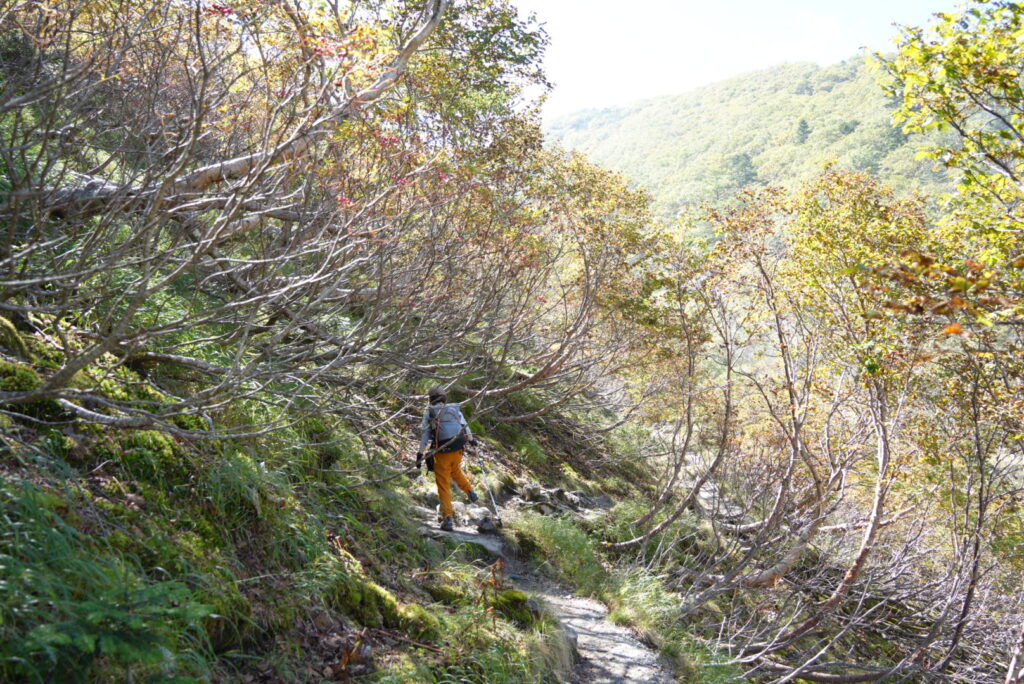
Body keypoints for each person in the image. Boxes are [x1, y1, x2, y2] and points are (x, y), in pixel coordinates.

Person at [416, 386, 478, 531]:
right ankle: (470, 491)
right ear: (444, 397)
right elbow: (465, 426)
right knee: (455, 470)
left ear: (430, 399)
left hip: (443, 451)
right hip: (458, 448)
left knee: (443, 484)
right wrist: (471, 440)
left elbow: (425, 435)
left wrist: (420, 453)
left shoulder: (430, 412)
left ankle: (447, 519)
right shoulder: (453, 409)